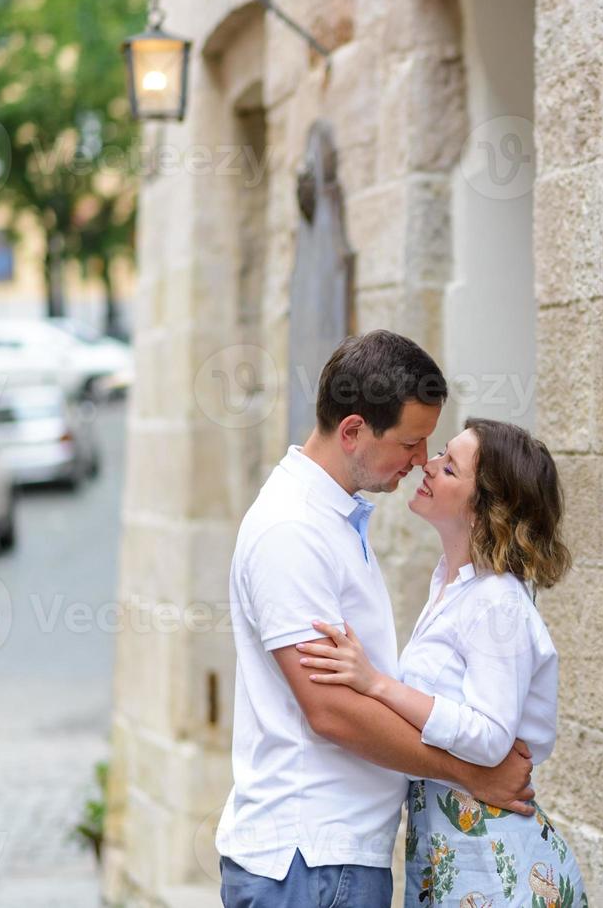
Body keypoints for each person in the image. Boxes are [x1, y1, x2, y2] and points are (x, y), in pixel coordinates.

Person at [216, 331, 536, 908]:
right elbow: (330, 710)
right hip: (308, 861)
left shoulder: (332, 520)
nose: (421, 460)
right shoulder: (293, 530)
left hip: (330, 860)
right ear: (354, 431)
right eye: (412, 442)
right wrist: (473, 776)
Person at [294, 417, 587, 908]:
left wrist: (376, 685)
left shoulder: (498, 602)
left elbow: (491, 737)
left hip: (496, 865)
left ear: (484, 509)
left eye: (450, 467)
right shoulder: (449, 588)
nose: (427, 466)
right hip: (450, 852)